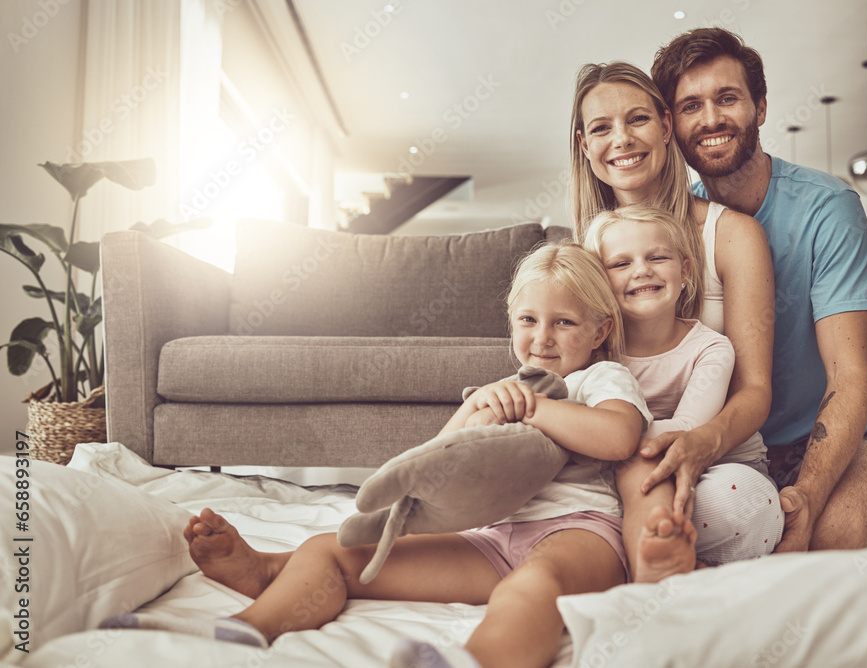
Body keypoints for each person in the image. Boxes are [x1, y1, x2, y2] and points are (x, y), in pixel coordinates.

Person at [103, 241, 653, 668]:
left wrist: (531, 408)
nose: (542, 338)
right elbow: (437, 461)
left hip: (578, 533)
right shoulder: (507, 384)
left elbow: (619, 438)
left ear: (600, 329)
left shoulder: (599, 376)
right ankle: (251, 623)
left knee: (530, 585)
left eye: (564, 322)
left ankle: (476, 661)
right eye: (529, 321)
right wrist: (479, 413)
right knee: (333, 548)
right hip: (492, 537)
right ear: (511, 323)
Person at [650, 27, 867, 552]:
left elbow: (850, 374)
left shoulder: (827, 208)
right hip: (735, 445)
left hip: (836, 439)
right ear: (672, 125)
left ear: (760, 107)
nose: (712, 119)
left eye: (727, 98)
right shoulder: (675, 225)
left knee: (835, 535)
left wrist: (808, 493)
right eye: (691, 105)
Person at [571, 61, 779, 581]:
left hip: (713, 455)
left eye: (637, 119)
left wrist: (696, 443)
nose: (622, 139)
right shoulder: (585, 250)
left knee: (732, 507)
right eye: (601, 127)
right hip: (612, 453)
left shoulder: (733, 235)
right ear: (583, 145)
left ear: (666, 126)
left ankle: (634, 548)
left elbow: (755, 388)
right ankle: (641, 551)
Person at [583, 203, 783, 577]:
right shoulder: (594, 349)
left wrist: (604, 436)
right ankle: (659, 555)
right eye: (621, 264)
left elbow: (686, 428)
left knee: (744, 499)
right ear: (598, 281)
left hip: (713, 468)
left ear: (685, 271)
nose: (642, 270)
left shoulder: (710, 348)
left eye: (657, 257)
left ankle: (656, 550)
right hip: (626, 474)